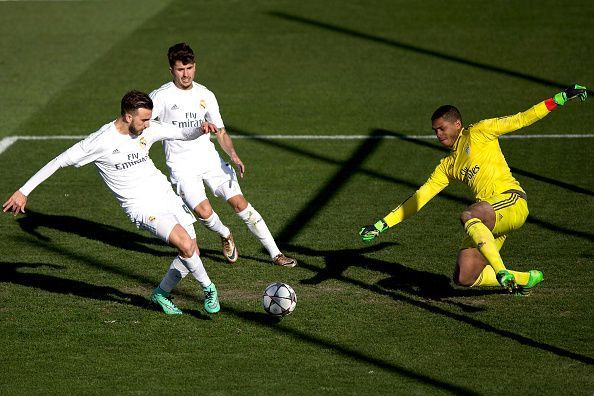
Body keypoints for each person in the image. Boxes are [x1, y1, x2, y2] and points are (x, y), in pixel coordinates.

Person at [3, 90, 221, 315]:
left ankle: (160, 293)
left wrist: (200, 129)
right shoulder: (100, 141)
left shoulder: (148, 127)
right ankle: (209, 288)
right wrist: (23, 191)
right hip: (142, 207)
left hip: (165, 194)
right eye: (144, 119)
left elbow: (181, 133)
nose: (148, 124)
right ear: (128, 117)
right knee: (185, 245)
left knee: (191, 250)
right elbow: (59, 161)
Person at [359, 84, 588, 295]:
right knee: (465, 276)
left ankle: (501, 272)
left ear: (457, 123)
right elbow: (421, 197)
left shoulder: (480, 131)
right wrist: (381, 225)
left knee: (468, 214)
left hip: (511, 201)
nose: (438, 135)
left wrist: (560, 98)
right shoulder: (448, 165)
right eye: (434, 131)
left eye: (441, 129)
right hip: (488, 219)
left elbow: (521, 119)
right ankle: (525, 278)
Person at [149, 42, 297, 268]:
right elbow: (144, 123)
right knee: (204, 212)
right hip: (181, 167)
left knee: (240, 204)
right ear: (172, 70)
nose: (185, 74)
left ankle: (276, 254)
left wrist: (234, 155)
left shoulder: (205, 94)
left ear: (195, 67)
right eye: (180, 69)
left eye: (189, 68)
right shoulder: (161, 97)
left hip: (209, 161)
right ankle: (225, 234)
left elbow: (221, 131)